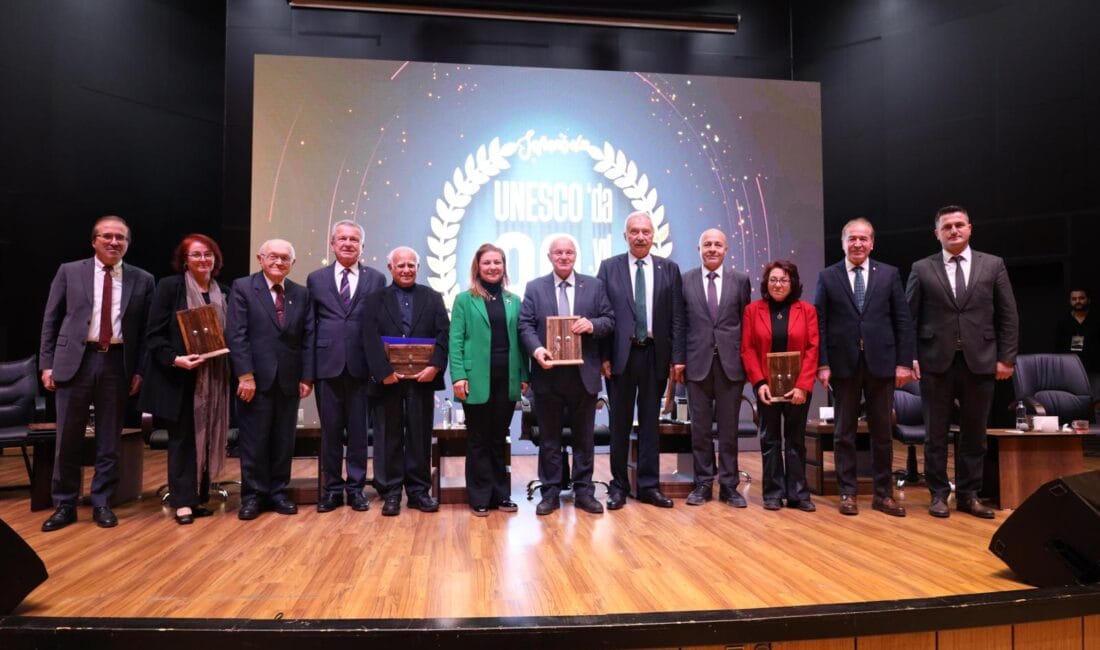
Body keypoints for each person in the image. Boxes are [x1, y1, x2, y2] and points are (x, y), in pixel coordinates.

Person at [38, 215, 155, 531]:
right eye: (107, 236)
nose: (114, 242)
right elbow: (51, 319)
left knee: (109, 438)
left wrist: (140, 371)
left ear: (127, 243)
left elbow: (145, 332)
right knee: (68, 437)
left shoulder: (142, 279)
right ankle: (65, 503)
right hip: (74, 361)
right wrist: (46, 363)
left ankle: (102, 501)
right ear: (94, 241)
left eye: (120, 237)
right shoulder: (70, 271)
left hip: (117, 363)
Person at [906, 205, 1019, 519]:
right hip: (934, 362)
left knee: (974, 434)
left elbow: (1008, 315)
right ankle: (939, 495)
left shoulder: (993, 265)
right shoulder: (921, 268)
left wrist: (1007, 358)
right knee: (935, 434)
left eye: (959, 225)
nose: (953, 231)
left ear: (970, 228)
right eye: (947, 227)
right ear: (937, 234)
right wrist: (909, 357)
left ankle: (969, 495)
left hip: (980, 361)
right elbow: (908, 318)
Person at [814, 218, 914, 517]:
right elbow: (819, 322)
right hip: (843, 364)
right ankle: (848, 492)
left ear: (872, 243)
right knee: (843, 432)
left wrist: (904, 363)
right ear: (843, 243)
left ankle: (883, 494)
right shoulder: (828, 276)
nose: (858, 244)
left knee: (882, 432)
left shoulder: (889, 274)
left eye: (863, 239)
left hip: (881, 364)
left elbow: (902, 320)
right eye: (852, 239)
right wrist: (822, 363)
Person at [519, 236, 614, 516]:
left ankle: (583, 491)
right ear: (549, 256)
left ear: (575, 255)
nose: (563, 256)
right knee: (549, 438)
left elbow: (609, 320)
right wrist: (537, 351)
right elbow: (525, 325)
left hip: (583, 375)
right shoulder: (535, 288)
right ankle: (550, 492)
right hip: (547, 375)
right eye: (558, 252)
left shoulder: (595, 286)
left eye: (569, 252)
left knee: (584, 438)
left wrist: (592, 324)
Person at [140, 234, 232, 525]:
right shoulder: (170, 287)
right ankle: (182, 503)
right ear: (184, 260)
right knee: (182, 441)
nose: (203, 260)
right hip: (179, 377)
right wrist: (175, 359)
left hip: (215, 378)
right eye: (196, 255)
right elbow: (153, 335)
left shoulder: (224, 291)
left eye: (208, 254)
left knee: (206, 439)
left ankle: (199, 497)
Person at [597, 212, 686, 510]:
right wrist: (603, 356)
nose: (640, 236)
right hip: (621, 357)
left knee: (650, 424)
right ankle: (618, 487)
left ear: (653, 235)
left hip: (654, 355)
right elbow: (603, 315)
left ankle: (649, 486)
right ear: (625, 236)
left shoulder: (669, 269)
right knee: (619, 424)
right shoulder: (609, 268)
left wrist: (677, 359)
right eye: (634, 231)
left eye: (645, 231)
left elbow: (676, 318)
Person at [227, 239, 315, 520]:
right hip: (254, 379)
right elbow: (237, 334)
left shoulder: (301, 294)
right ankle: (252, 496)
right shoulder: (243, 288)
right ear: (260, 258)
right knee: (254, 440)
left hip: (290, 380)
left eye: (285, 258)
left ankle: (278, 492)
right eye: (273, 257)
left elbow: (308, 338)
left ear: (293, 263)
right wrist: (245, 375)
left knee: (283, 440)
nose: (278, 262)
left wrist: (306, 376)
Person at [363, 246, 449, 516]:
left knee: (420, 436)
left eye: (411, 265)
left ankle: (418, 492)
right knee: (388, 435)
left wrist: (435, 366)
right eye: (400, 265)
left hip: (422, 380)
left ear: (418, 268)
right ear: (391, 268)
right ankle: (390, 492)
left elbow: (444, 334)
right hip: (388, 380)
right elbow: (368, 337)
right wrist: (384, 371)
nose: (406, 270)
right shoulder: (375, 299)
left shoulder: (432, 297)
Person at [306, 220, 385, 513]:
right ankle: (331, 490)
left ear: (362, 246)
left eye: (354, 239)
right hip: (327, 366)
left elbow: (378, 325)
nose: (348, 243)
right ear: (332, 243)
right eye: (343, 238)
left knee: (357, 434)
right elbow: (310, 327)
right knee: (330, 433)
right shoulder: (316, 279)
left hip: (362, 367)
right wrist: (308, 371)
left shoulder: (376, 279)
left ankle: (355, 489)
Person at [449, 243, 528, 516]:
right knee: (478, 439)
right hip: (474, 380)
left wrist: (524, 376)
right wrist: (458, 375)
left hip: (507, 379)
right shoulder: (464, 300)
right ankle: (480, 496)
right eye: (487, 263)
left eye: (498, 262)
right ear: (477, 267)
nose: (493, 267)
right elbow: (455, 340)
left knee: (498, 438)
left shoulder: (514, 300)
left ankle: (501, 495)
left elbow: (521, 342)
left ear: (504, 267)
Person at [681, 229, 752, 507]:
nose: (712, 249)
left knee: (728, 430)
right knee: (699, 430)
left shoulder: (741, 281)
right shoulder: (685, 280)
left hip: (730, 366)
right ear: (698, 249)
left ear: (726, 249)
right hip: (697, 365)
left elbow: (746, 325)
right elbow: (680, 323)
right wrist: (678, 361)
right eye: (707, 244)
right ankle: (702, 485)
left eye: (717, 245)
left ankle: (729, 487)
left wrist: (746, 363)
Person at [741, 260, 819, 511]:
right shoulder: (753, 311)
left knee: (795, 439)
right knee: (770, 439)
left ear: (793, 283)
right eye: (773, 280)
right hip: (766, 387)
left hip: (798, 388)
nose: (778, 284)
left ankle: (798, 494)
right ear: (766, 283)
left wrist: (803, 386)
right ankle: (773, 493)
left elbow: (812, 348)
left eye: (784, 280)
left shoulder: (806, 310)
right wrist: (759, 383)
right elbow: (748, 349)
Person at [1055, 288, 1100, 398]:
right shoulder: (1063, 321)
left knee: (1096, 400)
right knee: (1075, 400)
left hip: (1095, 368)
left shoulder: (1097, 319)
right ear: (1070, 301)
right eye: (1074, 299)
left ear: (1088, 300)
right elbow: (1058, 346)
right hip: (1071, 369)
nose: (1078, 301)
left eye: (1081, 298)